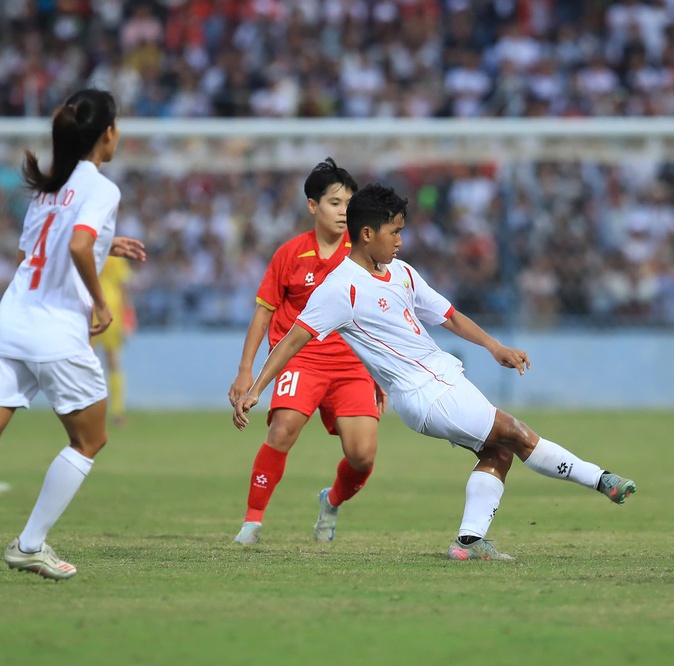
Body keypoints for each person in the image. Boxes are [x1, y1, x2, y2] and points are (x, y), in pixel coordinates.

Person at [233, 183, 636, 560]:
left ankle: (469, 541)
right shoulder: (341, 288)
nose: (400, 241)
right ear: (368, 233)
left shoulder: (403, 273)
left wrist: (494, 346)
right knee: (514, 433)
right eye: (394, 232)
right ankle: (602, 480)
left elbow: (448, 316)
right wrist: (256, 388)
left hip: (445, 380)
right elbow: (292, 339)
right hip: (425, 394)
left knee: (497, 452)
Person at [0, 89, 146, 580]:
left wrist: (109, 244)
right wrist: (101, 302)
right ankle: (29, 543)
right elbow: (80, 244)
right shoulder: (100, 187)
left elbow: (36, 254)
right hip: (56, 331)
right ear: (108, 134)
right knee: (89, 438)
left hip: (11, 319)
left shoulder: (49, 185)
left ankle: (30, 543)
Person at [227, 158, 385, 545]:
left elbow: (383, 316)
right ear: (313, 206)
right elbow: (263, 315)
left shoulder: (365, 255)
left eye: (349, 202)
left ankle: (331, 502)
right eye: (334, 202)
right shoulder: (289, 255)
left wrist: (382, 370)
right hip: (302, 358)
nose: (343, 210)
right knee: (283, 428)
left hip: (352, 364)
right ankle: (252, 523)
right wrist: (245, 371)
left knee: (362, 455)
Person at [91, 255, 135, 427]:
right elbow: (124, 288)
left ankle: (88, 410)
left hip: (91, 309)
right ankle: (117, 412)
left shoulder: (86, 249)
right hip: (112, 310)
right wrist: (128, 317)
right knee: (114, 362)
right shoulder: (116, 256)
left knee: (86, 362)